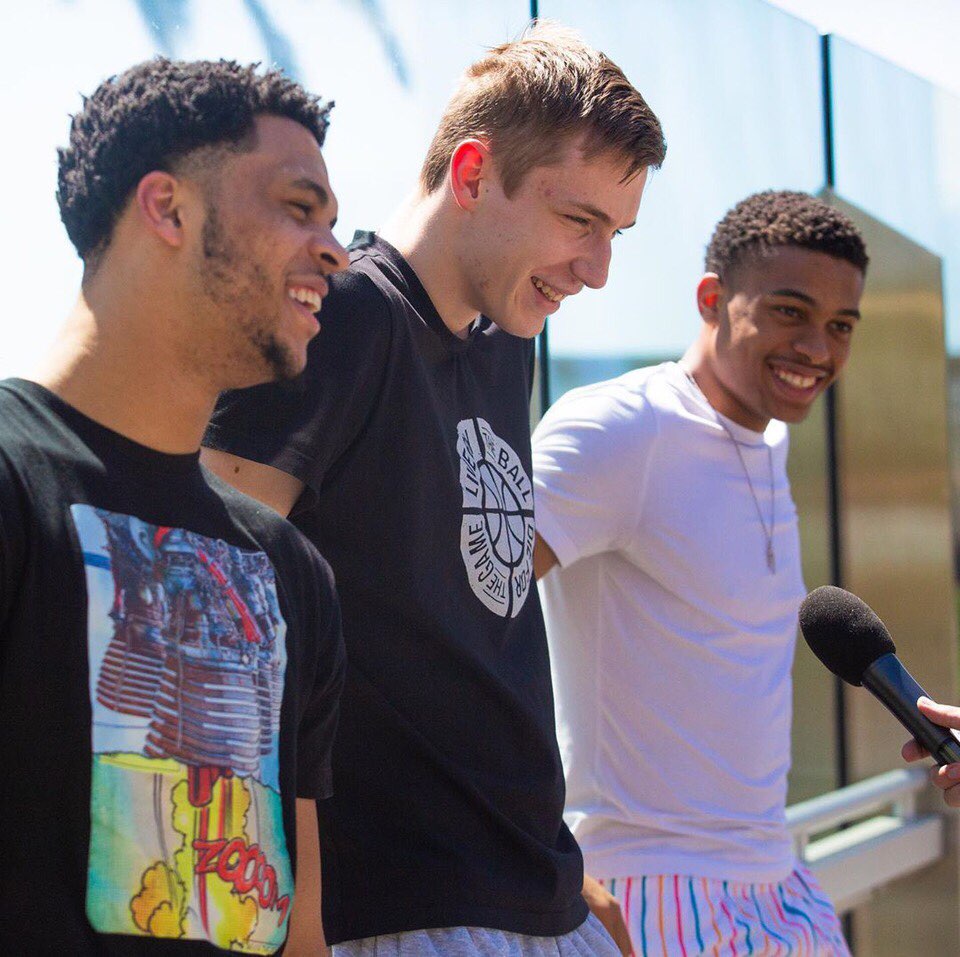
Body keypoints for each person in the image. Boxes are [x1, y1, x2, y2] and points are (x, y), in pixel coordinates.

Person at [201, 21, 665, 957]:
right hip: (400, 909)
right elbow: (214, 618)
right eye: (579, 222)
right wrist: (295, 916)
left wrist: (561, 874)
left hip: (541, 894)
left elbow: (469, 643)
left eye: (615, 234)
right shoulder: (340, 320)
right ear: (472, 173)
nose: (599, 270)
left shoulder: (505, 341)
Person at [0, 58, 349, 954]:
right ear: (167, 208)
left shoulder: (290, 571)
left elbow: (301, 932)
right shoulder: (12, 480)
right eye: (299, 207)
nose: (334, 251)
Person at [532, 190, 868, 955]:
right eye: (790, 312)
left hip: (782, 881)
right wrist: (532, 839)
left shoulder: (771, 439)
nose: (817, 347)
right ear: (712, 299)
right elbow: (463, 617)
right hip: (646, 892)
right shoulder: (624, 426)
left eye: (840, 325)